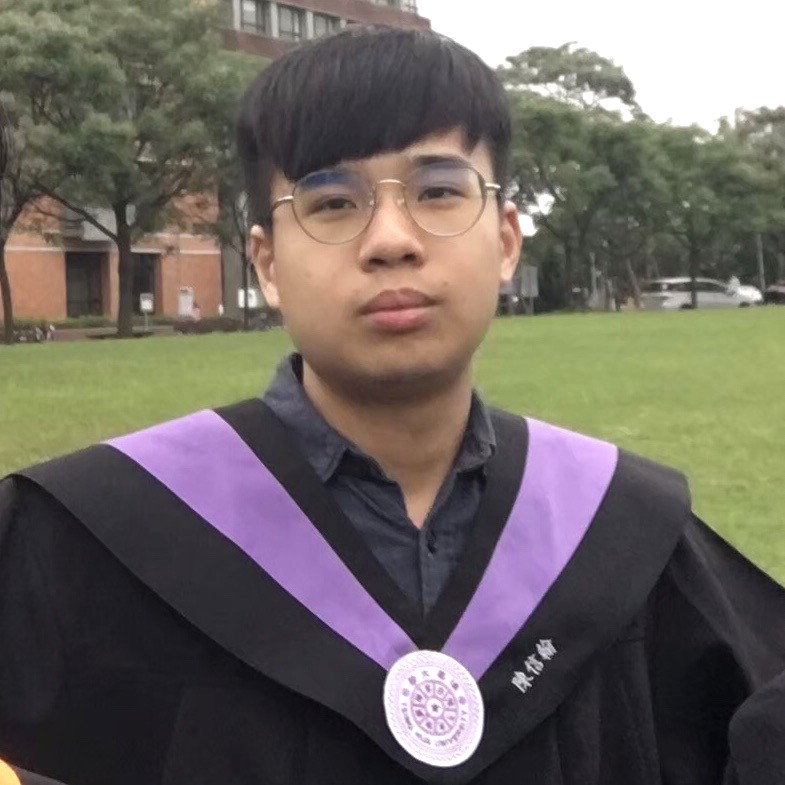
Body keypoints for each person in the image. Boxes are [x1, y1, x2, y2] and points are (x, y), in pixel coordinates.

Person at [1, 26, 784, 785]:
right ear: (266, 262)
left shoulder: (626, 539)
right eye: (332, 203)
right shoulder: (88, 538)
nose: (390, 239)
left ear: (506, 241)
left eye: (438, 191)